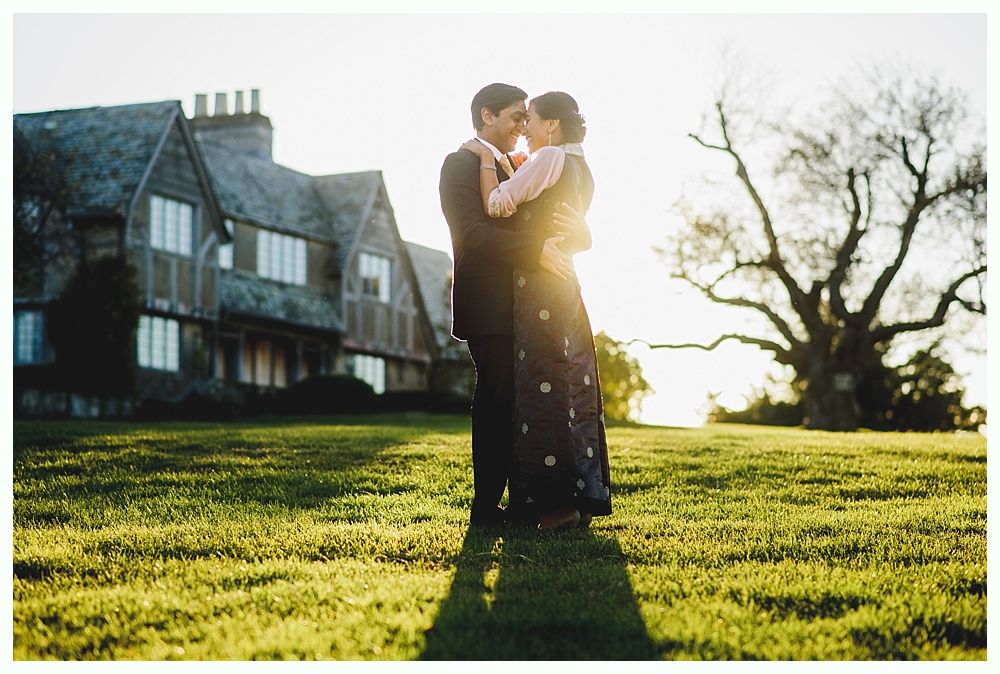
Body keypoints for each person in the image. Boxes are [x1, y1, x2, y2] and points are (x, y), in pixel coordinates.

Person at [459, 91, 611, 531]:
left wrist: (485, 162)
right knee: (572, 384)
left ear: (552, 125)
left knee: (543, 388)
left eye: (532, 120)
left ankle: (553, 503)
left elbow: (496, 205)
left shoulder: (549, 158)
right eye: (519, 119)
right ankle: (580, 497)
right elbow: (573, 229)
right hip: (567, 286)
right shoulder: (583, 168)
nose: (526, 129)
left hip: (539, 288)